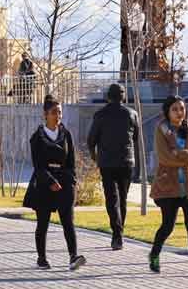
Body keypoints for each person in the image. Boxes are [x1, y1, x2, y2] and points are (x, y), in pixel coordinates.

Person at [22, 95, 86, 271]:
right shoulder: (37, 137)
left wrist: (71, 181)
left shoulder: (66, 134)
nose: (57, 116)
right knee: (43, 223)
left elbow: (71, 161)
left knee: (68, 222)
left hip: (64, 183)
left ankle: (73, 256)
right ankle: (41, 257)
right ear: (45, 114)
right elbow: (37, 165)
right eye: (53, 112)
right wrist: (50, 181)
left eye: (59, 112)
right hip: (44, 183)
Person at [149, 95, 188, 277]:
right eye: (175, 109)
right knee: (168, 225)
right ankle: (155, 254)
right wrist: (186, 157)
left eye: (182, 108)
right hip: (169, 186)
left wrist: (180, 153)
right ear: (167, 111)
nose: (179, 112)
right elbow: (165, 157)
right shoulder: (162, 130)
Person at [86, 83, 140, 250]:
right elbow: (136, 138)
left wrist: (95, 156)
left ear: (108, 97)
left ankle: (117, 234)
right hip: (126, 162)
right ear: (123, 96)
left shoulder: (100, 115)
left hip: (107, 163)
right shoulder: (132, 114)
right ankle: (118, 234)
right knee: (122, 198)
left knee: (112, 199)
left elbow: (91, 140)